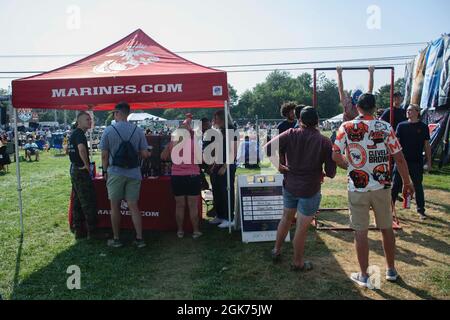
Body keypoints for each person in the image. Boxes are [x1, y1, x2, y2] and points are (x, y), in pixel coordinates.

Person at [332, 93, 415, 288]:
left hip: (357, 187)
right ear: (374, 107)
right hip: (382, 186)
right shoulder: (385, 127)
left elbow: (335, 155)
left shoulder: (346, 127)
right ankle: (391, 269)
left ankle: (364, 275)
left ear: (357, 107)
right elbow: (399, 157)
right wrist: (407, 181)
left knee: (360, 232)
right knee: (386, 228)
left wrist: (350, 167)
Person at [268, 107, 336, 271]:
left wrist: (279, 166)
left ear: (300, 121)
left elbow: (268, 148)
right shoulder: (324, 141)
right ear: (318, 122)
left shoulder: (291, 133)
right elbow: (331, 173)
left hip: (290, 185)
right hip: (310, 189)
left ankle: (276, 250)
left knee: (286, 219)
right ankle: (297, 262)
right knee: (301, 227)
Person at [99, 102, 151, 248]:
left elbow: (104, 155)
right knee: (133, 206)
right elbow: (144, 153)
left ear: (117, 113)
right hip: (134, 172)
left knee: (114, 206)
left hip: (115, 172)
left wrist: (104, 171)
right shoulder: (138, 130)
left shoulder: (109, 130)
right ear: (127, 113)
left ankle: (116, 239)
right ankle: (139, 238)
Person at [161, 116, 203, 239]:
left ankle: (180, 231)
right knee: (192, 205)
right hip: (192, 175)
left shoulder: (172, 143)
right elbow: (201, 159)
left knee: (179, 205)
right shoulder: (192, 142)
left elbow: (163, 157)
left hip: (177, 176)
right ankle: (195, 231)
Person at [391, 104, 432, 220]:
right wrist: (395, 158)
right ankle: (390, 208)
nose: (408, 112)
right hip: (401, 161)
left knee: (418, 185)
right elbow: (396, 143)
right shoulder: (401, 126)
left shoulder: (423, 127)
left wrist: (429, 162)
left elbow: (427, 145)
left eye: (410, 110)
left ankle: (421, 211)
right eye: (407, 110)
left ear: (417, 112)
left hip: (416, 161)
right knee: (395, 185)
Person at [68, 111, 97, 239]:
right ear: (79, 122)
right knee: (87, 200)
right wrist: (87, 165)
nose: (90, 122)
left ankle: (79, 229)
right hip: (80, 169)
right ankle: (92, 231)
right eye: (87, 119)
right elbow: (81, 149)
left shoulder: (74, 133)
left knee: (78, 201)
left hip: (75, 168)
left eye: (90, 119)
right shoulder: (79, 133)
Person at [209, 110, 238, 229]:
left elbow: (233, 151)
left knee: (226, 191)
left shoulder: (232, 130)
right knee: (216, 190)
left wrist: (225, 166)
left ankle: (228, 217)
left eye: (216, 118)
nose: (214, 121)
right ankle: (220, 215)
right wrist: (214, 165)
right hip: (218, 165)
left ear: (222, 119)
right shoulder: (219, 131)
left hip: (228, 165)